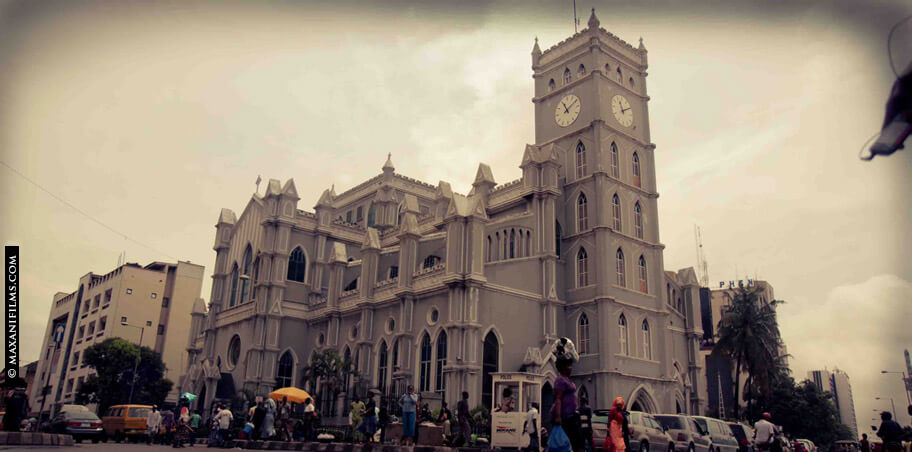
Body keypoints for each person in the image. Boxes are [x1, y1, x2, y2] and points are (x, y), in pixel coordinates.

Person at [552, 357, 583, 452]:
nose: (571, 368)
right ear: (563, 367)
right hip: (566, 418)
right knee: (571, 443)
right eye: (568, 366)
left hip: (572, 415)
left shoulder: (567, 379)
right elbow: (558, 398)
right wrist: (558, 417)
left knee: (578, 442)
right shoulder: (560, 380)